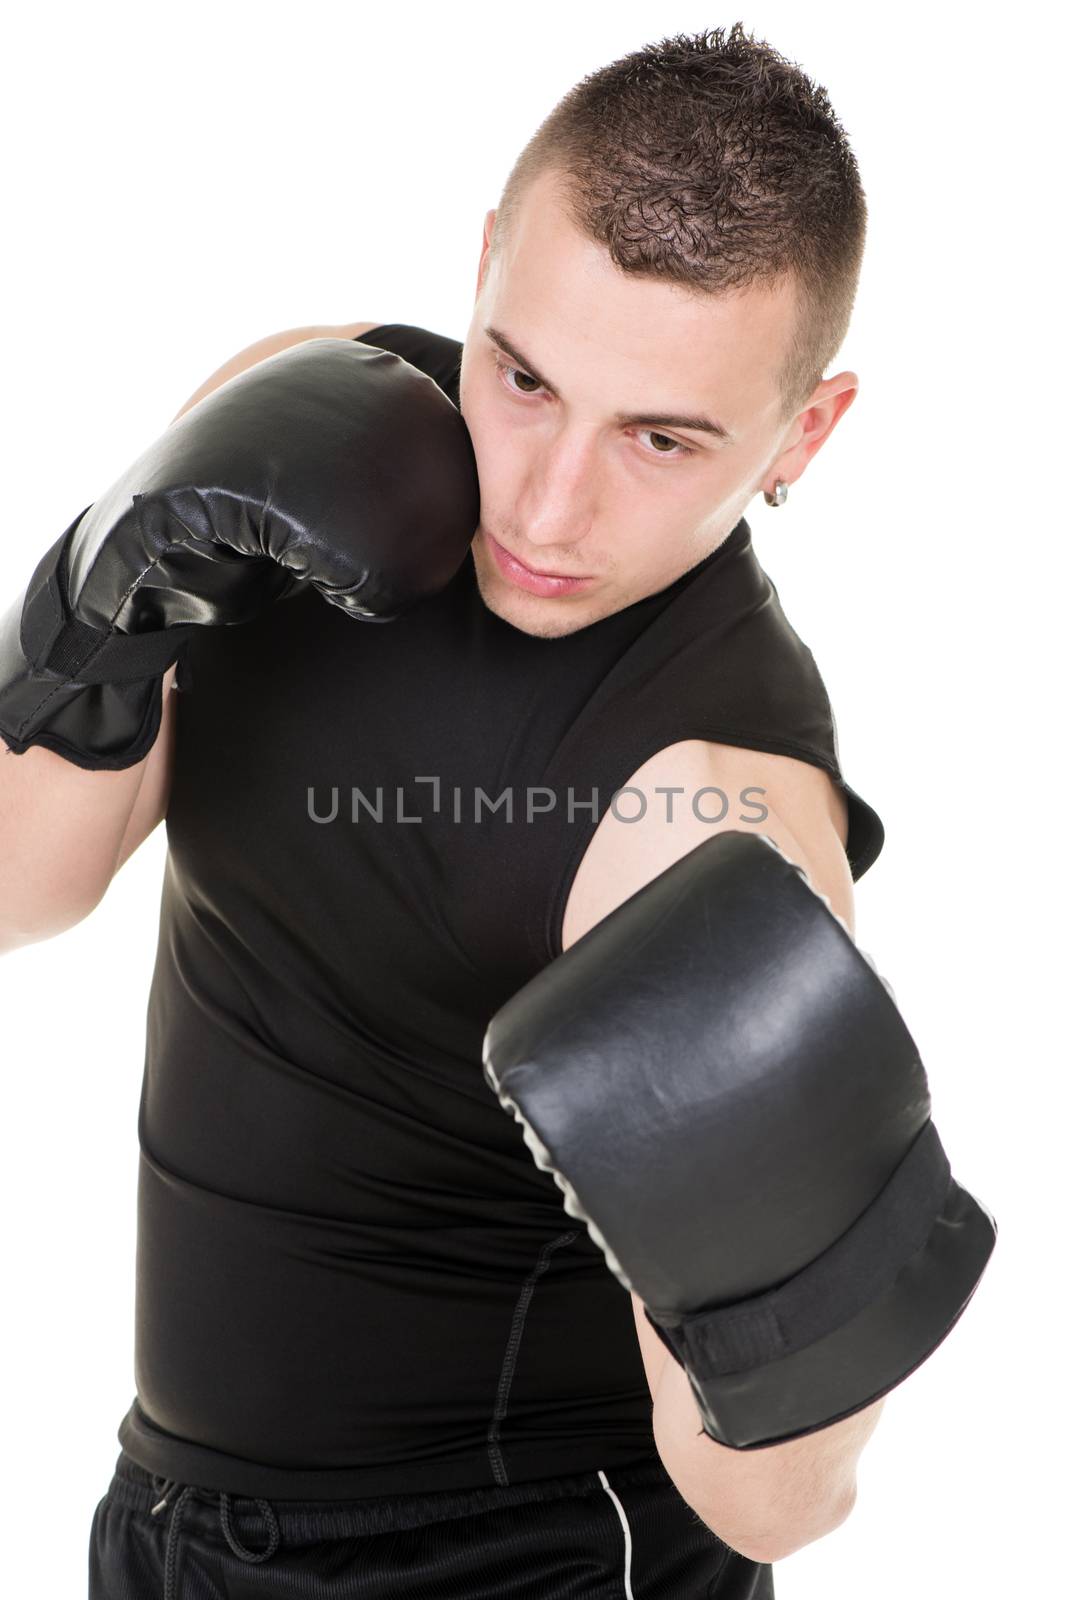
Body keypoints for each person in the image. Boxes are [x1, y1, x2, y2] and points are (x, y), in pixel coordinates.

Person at [0, 23, 993, 1600]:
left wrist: (796, 1272)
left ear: (806, 433)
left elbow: (777, 1512)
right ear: (482, 265)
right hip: (168, 1526)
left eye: (662, 439)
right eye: (524, 376)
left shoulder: (712, 817)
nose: (544, 505)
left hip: (524, 1562)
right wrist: (87, 615)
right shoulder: (290, 425)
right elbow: (24, 890)